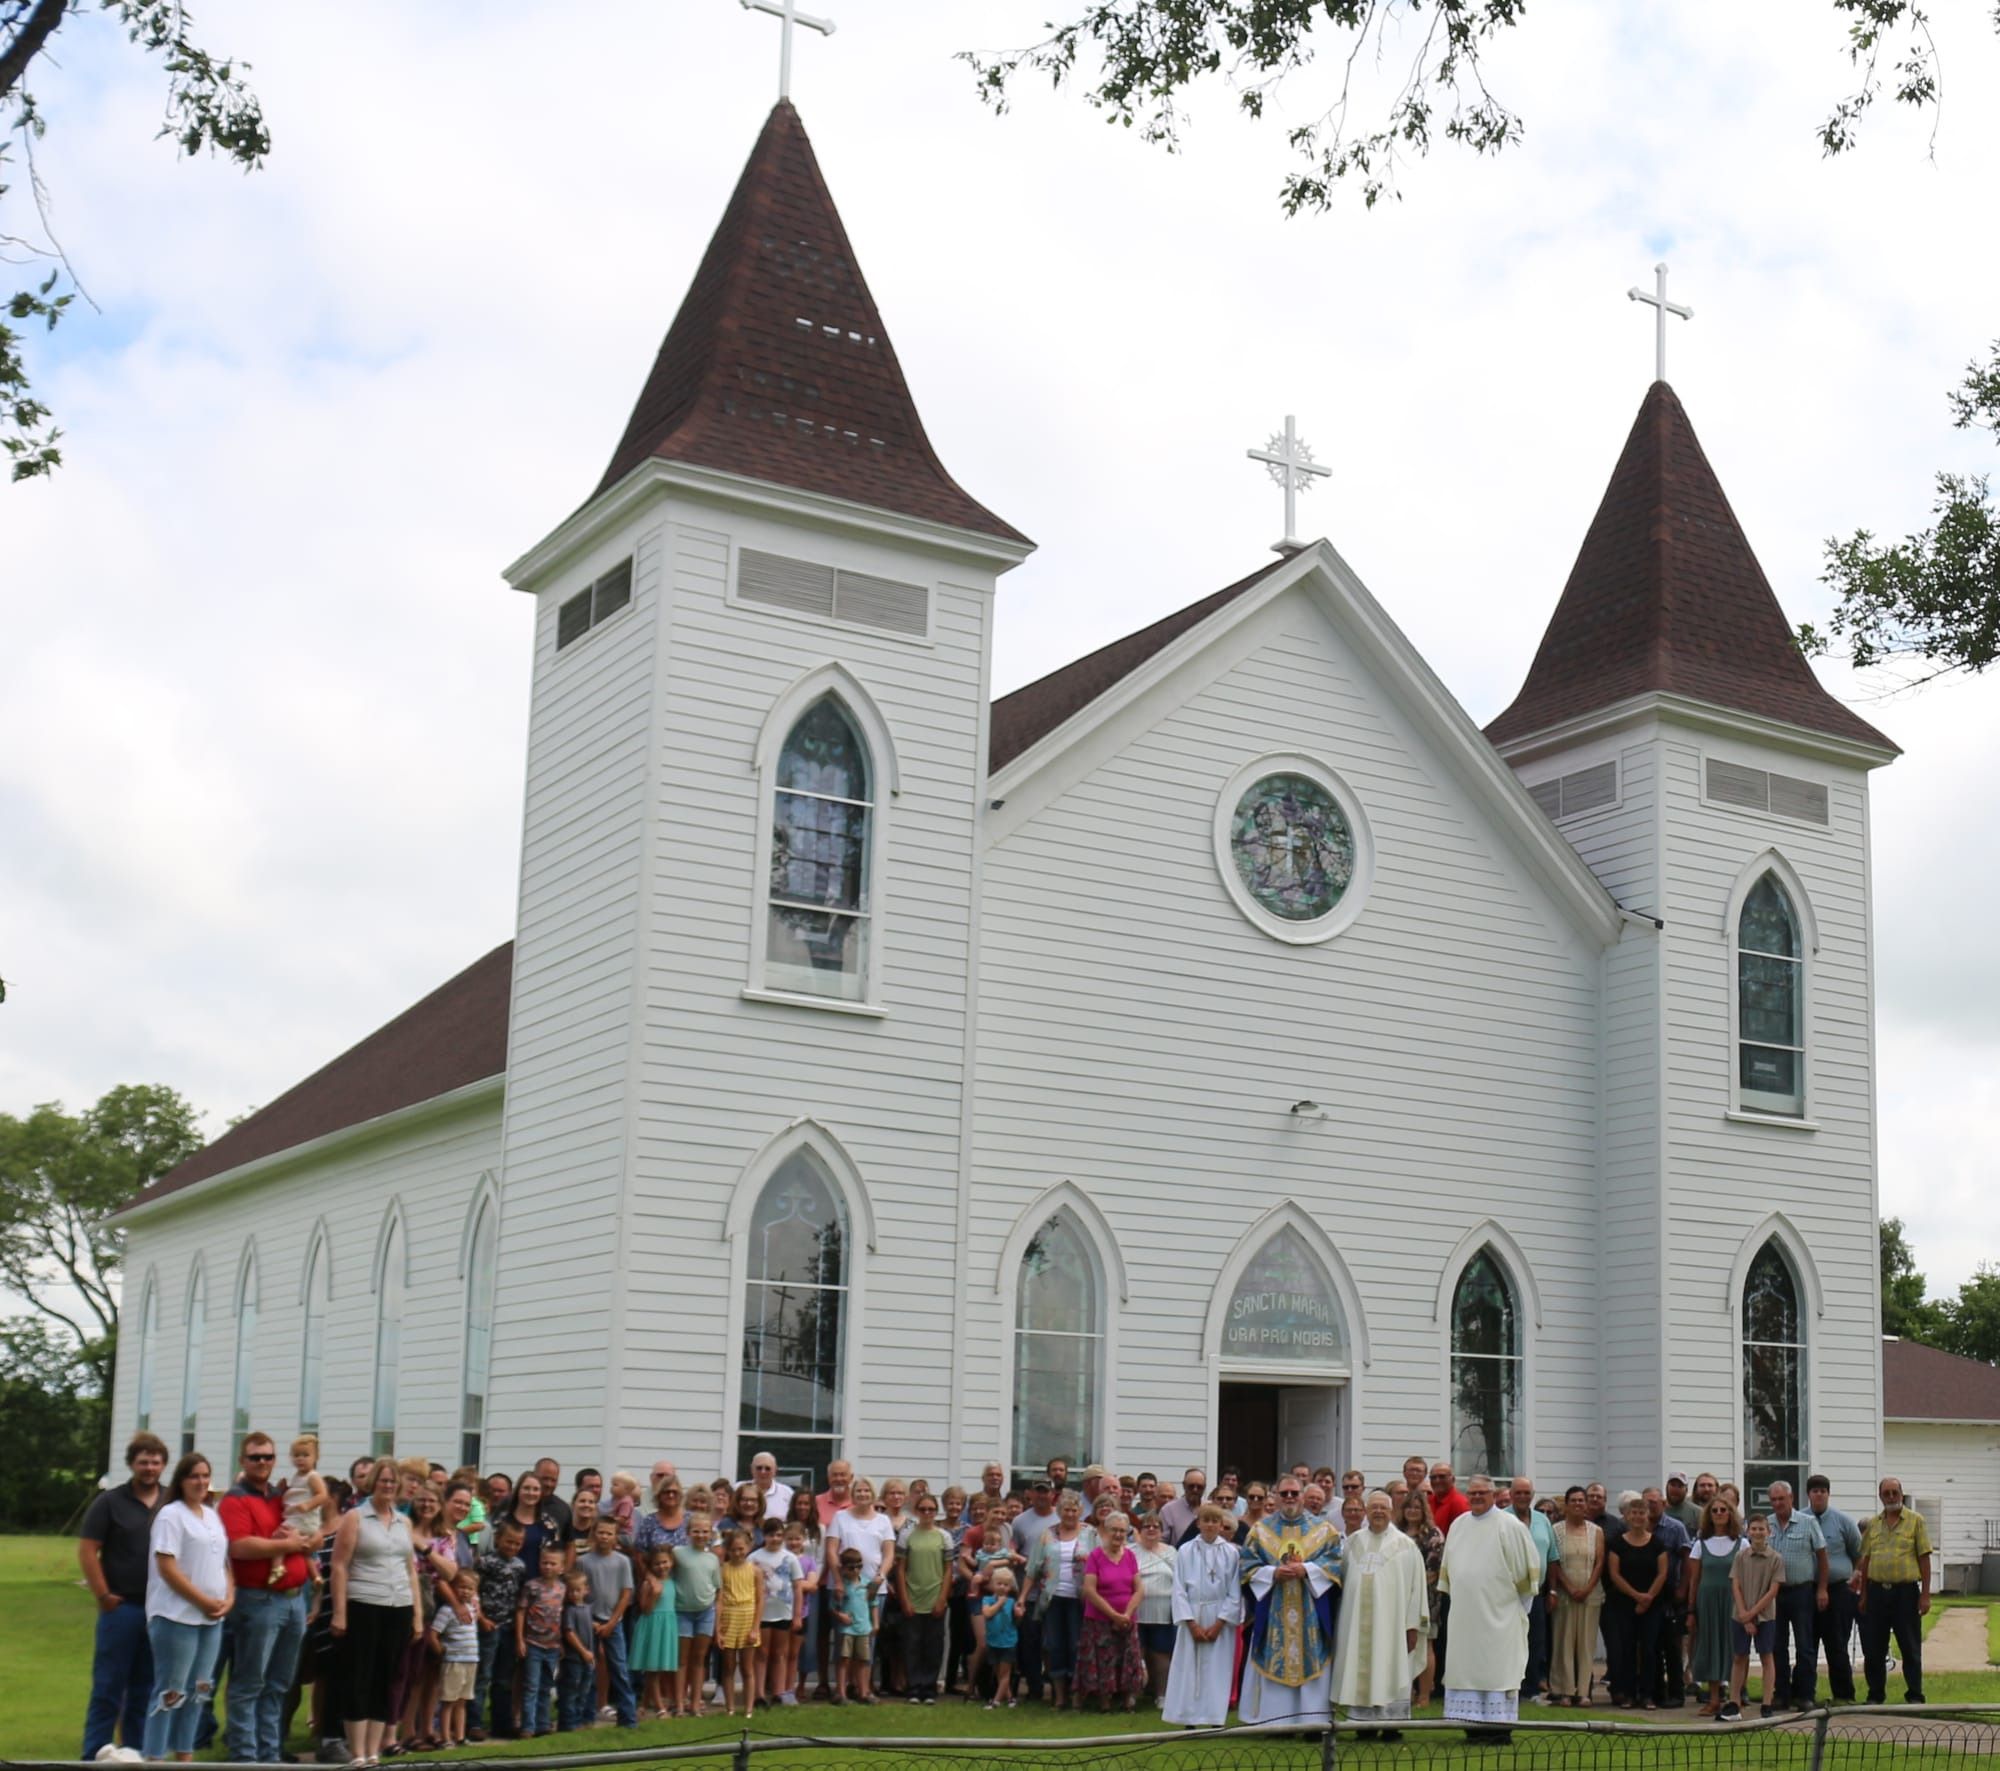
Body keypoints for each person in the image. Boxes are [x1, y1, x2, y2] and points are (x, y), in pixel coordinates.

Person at [219, 1430, 318, 1763]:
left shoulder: (280, 1497)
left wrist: (310, 1539)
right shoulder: (235, 1500)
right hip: (258, 1600)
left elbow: (309, 1529)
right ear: (242, 1461)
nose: (262, 1462)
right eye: (255, 1457)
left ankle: (269, 1754)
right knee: (250, 1683)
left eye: (268, 1456)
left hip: (294, 1600)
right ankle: (245, 1757)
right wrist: (288, 1545)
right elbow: (239, 1546)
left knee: (279, 1684)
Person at [79, 1430, 168, 1758]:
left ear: (163, 1465)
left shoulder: (171, 1502)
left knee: (146, 1688)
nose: (149, 1468)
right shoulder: (110, 1502)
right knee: (108, 1687)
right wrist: (103, 1595)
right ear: (132, 1464)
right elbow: (88, 1550)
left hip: (160, 1611)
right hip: (122, 1608)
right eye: (143, 1462)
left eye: (155, 1462)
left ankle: (134, 1755)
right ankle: (93, 1755)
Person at [143, 1453, 235, 1764]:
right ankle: (155, 1758)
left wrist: (228, 1597)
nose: (201, 1481)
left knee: (200, 1690)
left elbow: (223, 1564)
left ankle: (184, 1757)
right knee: (171, 1691)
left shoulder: (211, 1515)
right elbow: (167, 1567)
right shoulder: (171, 1515)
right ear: (181, 1480)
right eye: (194, 1476)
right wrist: (202, 1600)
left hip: (211, 1621)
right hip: (176, 1617)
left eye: (205, 1475)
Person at [329, 1457, 420, 1769]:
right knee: (360, 1677)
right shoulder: (355, 1517)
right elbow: (339, 1565)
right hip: (364, 1604)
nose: (388, 1486)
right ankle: (357, 1751)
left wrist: (416, 1614)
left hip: (399, 1606)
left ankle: (373, 1751)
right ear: (373, 1483)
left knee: (386, 1678)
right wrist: (339, 1612)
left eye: (393, 1481)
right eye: (383, 1480)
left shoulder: (404, 1522)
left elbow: (410, 1570)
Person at [1435, 1475, 1541, 1741]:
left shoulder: (1510, 1526)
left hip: (1499, 1615)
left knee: (1497, 1671)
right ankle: (1471, 1727)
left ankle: (1498, 1729)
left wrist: (1512, 1608)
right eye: (1472, 1493)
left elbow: (1524, 1577)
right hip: (1465, 1616)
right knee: (1467, 1668)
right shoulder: (1459, 1525)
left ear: (1493, 1495)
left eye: (1482, 1492)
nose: (1477, 1497)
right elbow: (1450, 1569)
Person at [1238, 1473, 1342, 1726]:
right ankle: (1275, 1721)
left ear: (1303, 1496)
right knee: (1275, 1660)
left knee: (1311, 1660)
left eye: (1294, 1493)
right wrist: (1272, 1573)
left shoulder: (1323, 1530)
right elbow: (1246, 1566)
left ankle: (1312, 1721)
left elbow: (1335, 1563)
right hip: (1275, 1611)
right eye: (1283, 1493)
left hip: (1310, 1613)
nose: (1289, 1498)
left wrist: (1307, 1570)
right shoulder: (1260, 1531)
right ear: (1275, 1496)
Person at [1330, 1491, 1428, 1733]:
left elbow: (1417, 1589)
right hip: (1356, 1623)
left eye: (1383, 1507)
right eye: (1373, 1507)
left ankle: (1392, 1725)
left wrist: (1412, 1625)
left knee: (1390, 1665)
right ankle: (1363, 1724)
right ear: (1366, 1510)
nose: (1378, 1512)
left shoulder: (1406, 1546)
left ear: (1392, 1511)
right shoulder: (1352, 1543)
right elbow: (1342, 1582)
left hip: (1392, 1625)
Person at [1162, 1505, 1240, 1727]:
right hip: (1193, 1612)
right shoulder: (1186, 1550)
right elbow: (1179, 1589)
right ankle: (1189, 1716)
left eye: (1215, 1521)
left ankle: (1215, 1716)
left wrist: (1219, 1623)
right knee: (1190, 1666)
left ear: (1221, 1525)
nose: (1210, 1525)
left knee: (1217, 1667)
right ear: (1198, 1523)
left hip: (1219, 1614)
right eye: (1206, 1520)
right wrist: (1191, 1624)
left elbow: (1235, 1591)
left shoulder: (1230, 1553)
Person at [1857, 1477, 1932, 1705]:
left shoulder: (1916, 1521)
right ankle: (1875, 1695)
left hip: (1905, 1593)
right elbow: (1866, 1560)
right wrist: (1863, 1594)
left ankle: (1915, 1695)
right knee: (1874, 1648)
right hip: (1877, 1593)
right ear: (1880, 1496)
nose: (1891, 1497)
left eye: (1894, 1492)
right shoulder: (1873, 1524)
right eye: (1886, 1493)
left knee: (1910, 1646)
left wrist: (1925, 1595)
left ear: (1901, 1494)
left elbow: (1924, 1558)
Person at [1023, 1492, 1092, 1709]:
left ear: (1080, 1512)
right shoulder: (1048, 1534)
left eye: (1074, 1510)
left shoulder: (1090, 1534)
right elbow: (1033, 1568)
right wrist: (1022, 1597)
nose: (1070, 1514)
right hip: (1052, 1599)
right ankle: (1059, 1696)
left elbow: (1099, 1563)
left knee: (1076, 1646)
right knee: (1054, 1646)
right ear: (1060, 1512)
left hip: (1079, 1599)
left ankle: (1076, 1695)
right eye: (1066, 1510)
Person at [1764, 1481, 1828, 1710]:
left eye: (1781, 1499)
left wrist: (1822, 1589)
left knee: (1805, 1645)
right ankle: (1781, 1693)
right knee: (1777, 1645)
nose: (1778, 1503)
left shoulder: (1808, 1522)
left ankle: (1805, 1694)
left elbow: (1822, 1558)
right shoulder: (1766, 1525)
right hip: (1774, 1594)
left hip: (1801, 1591)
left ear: (1791, 1498)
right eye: (1773, 1500)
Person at [1602, 1491, 1667, 1711]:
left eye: (1642, 1513)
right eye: (1634, 1513)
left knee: (1648, 1650)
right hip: (1624, 1604)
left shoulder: (1657, 1543)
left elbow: (1662, 1573)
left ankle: (1647, 1695)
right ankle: (1628, 1694)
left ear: (1648, 1516)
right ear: (1627, 1516)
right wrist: (1636, 1596)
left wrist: (1648, 1597)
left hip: (1652, 1605)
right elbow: (1614, 1574)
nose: (1638, 1517)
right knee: (1627, 1649)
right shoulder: (1617, 1543)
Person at [1076, 1511, 1145, 1713]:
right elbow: (1089, 1590)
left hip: (1127, 1619)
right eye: (1114, 1530)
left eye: (1122, 1531)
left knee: (1128, 1658)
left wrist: (1126, 1614)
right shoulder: (1095, 1556)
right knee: (1103, 1659)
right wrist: (1113, 1615)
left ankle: (1128, 1700)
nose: (1118, 1534)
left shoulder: (1130, 1556)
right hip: (1099, 1618)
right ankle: (1104, 1702)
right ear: (1105, 1531)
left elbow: (1139, 1589)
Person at [1806, 1475, 1861, 1704]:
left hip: (1839, 1590)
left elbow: (1859, 1554)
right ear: (1808, 1495)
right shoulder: (1801, 1520)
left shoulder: (1843, 1522)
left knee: (1837, 1643)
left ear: (1828, 1494)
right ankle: (1804, 1694)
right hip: (1808, 1589)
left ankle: (1843, 1695)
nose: (1819, 1495)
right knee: (1807, 1644)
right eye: (1815, 1491)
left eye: (1823, 1491)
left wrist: (1855, 1578)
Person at [577, 1515, 637, 1727]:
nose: (604, 1537)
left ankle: (628, 1718)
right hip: (589, 1622)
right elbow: (578, 1594)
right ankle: (586, 1716)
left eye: (609, 1533)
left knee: (619, 1669)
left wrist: (612, 1622)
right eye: (601, 1532)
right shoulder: (583, 1561)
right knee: (588, 1670)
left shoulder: (622, 1562)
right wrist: (590, 1621)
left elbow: (626, 1594)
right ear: (594, 1534)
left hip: (614, 1622)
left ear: (615, 1537)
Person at [1548, 1485, 1604, 1707]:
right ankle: (1564, 1691)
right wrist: (1569, 1587)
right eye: (1574, 1500)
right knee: (1564, 1642)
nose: (1578, 1504)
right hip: (1565, 1594)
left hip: (1590, 1595)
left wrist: (1588, 1588)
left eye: (1582, 1500)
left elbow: (1599, 1562)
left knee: (1586, 1644)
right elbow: (1554, 1562)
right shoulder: (1556, 1530)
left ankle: (1583, 1692)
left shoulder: (1596, 1531)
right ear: (1567, 1504)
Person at [471, 1519, 527, 1740]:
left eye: (517, 1543)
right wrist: (481, 1618)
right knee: (483, 1675)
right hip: (488, 1626)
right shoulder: (485, 1563)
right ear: (497, 1539)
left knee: (504, 1679)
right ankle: (474, 1723)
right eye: (508, 1541)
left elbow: (519, 1596)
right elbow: (474, 1592)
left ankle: (501, 1724)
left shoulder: (520, 1566)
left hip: (509, 1628)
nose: (512, 1546)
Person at [1688, 1496, 1742, 1717]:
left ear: (1730, 1514)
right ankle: (1713, 1699)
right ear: (1709, 1515)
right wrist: (1691, 1610)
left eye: (1723, 1510)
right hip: (1707, 1602)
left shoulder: (1742, 1544)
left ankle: (1734, 1698)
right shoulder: (1700, 1545)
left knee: (1733, 1647)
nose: (1719, 1514)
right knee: (1710, 1646)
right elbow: (1694, 1580)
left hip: (1733, 1601)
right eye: (1715, 1510)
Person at [897, 1492, 952, 1703]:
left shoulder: (944, 1537)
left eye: (931, 1509)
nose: (927, 1513)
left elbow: (948, 1569)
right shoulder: (907, 1535)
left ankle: (929, 1688)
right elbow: (900, 1569)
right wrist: (904, 1599)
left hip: (935, 1597)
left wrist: (942, 1599)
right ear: (916, 1511)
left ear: (936, 1511)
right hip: (913, 1596)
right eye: (923, 1509)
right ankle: (914, 1688)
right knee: (912, 1645)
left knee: (933, 1646)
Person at [1727, 1515, 1782, 1720]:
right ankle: (1734, 1701)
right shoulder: (1740, 1556)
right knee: (1739, 1657)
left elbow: (1773, 1590)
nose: (1758, 1533)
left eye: (1761, 1529)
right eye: (1754, 1529)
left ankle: (1767, 1703)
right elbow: (1735, 1584)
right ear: (1747, 1531)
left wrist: (1753, 1614)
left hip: (1765, 1616)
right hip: (1740, 1614)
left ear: (1769, 1532)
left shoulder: (1775, 1558)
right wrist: (1744, 1615)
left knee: (1766, 1656)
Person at [1508, 1478, 1557, 1704]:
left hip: (1537, 1592)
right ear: (1511, 1494)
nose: (1522, 1497)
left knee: (1536, 1640)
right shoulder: (1502, 1519)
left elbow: (1553, 1557)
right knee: (1510, 1640)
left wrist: (1552, 1591)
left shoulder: (1542, 1520)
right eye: (1518, 1492)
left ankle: (1531, 1689)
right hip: (1509, 1593)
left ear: (1532, 1494)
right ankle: (1511, 1686)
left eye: (1526, 1492)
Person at [1394, 1486, 1444, 1706]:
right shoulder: (1395, 1533)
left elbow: (1434, 1571)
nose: (1412, 1511)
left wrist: (1412, 1591)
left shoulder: (1433, 1535)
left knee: (1425, 1645)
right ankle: (1407, 1691)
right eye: (1409, 1507)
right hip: (1397, 1599)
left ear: (1424, 1511)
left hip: (1426, 1598)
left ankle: (1424, 1694)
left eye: (1417, 1507)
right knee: (1401, 1646)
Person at [1642, 1486, 1690, 1708]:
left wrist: (1683, 1588)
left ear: (1663, 1504)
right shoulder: (1638, 1525)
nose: (1650, 1506)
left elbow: (1687, 1559)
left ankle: (1677, 1693)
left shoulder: (1675, 1528)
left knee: (1672, 1646)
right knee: (1651, 1645)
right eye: (1646, 1502)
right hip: (1645, 1593)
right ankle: (1656, 1692)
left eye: (1654, 1502)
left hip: (1670, 1592)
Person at [750, 1516, 803, 1709]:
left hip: (784, 1612)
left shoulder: (790, 1558)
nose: (775, 1539)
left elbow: (797, 1587)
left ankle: (779, 1692)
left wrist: (797, 1615)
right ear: (764, 1536)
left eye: (779, 1535)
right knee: (761, 1653)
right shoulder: (754, 1558)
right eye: (771, 1535)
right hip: (761, 1614)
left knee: (780, 1653)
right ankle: (759, 1694)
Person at [516, 1543, 569, 1736]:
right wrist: (520, 1639)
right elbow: (521, 1611)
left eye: (553, 1564)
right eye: (545, 1562)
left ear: (561, 1567)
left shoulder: (563, 1589)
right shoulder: (531, 1586)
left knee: (546, 1686)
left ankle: (543, 1724)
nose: (548, 1567)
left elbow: (562, 1617)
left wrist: (561, 1642)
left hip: (553, 1646)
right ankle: (528, 1726)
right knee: (531, 1685)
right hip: (533, 1643)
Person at [672, 1517, 721, 1717]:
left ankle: (695, 1704)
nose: (701, 1535)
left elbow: (717, 1588)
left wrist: (717, 1617)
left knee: (699, 1660)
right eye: (696, 1531)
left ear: (710, 1534)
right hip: (682, 1612)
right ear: (688, 1533)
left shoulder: (713, 1559)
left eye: (705, 1531)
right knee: (682, 1660)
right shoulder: (678, 1553)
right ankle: (679, 1704)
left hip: (705, 1612)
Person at [431, 1570, 481, 1747]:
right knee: (448, 1701)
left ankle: (460, 1736)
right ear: (452, 1588)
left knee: (462, 1701)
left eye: (470, 1588)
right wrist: (441, 1652)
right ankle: (445, 1737)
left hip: (471, 1660)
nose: (465, 1591)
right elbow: (433, 1634)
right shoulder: (447, 1610)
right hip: (454, 1661)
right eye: (461, 1587)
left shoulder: (472, 1609)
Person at [1132, 1514, 1178, 1701]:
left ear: (1161, 1531)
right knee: (1136, 1653)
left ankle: (1162, 1695)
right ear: (1140, 1530)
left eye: (1155, 1526)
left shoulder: (1171, 1552)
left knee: (1161, 1653)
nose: (1151, 1529)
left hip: (1163, 1611)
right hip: (1136, 1610)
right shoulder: (1130, 1551)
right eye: (1147, 1526)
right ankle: (1133, 1694)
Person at [630, 1544, 678, 1719]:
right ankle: (659, 1708)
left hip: (667, 1625)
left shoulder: (672, 1581)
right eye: (657, 1564)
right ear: (651, 1566)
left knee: (658, 1669)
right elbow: (645, 1609)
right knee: (653, 1669)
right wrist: (655, 1594)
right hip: (652, 1625)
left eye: (665, 1562)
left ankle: (643, 1705)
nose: (661, 1566)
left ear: (671, 1562)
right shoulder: (648, 1584)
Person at [832, 1546, 876, 1703]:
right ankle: (841, 1693)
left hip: (863, 1628)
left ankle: (863, 1692)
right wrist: (840, 1616)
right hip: (847, 1629)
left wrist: (875, 1623)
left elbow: (873, 1604)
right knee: (844, 1660)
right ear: (843, 1568)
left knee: (863, 1661)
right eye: (851, 1568)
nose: (856, 1571)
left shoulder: (867, 1583)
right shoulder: (841, 1585)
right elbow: (833, 1607)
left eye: (859, 1567)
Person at [558, 1569, 596, 1732]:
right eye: (571, 1591)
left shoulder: (586, 1608)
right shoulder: (569, 1610)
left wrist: (593, 1625)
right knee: (571, 1691)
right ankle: (567, 1724)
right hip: (574, 1658)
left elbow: (584, 1624)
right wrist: (583, 1652)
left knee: (583, 1691)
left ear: (586, 1590)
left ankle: (578, 1721)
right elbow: (569, 1633)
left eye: (578, 1590)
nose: (574, 1594)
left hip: (588, 1658)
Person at [980, 1566, 1019, 1709]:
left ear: (1010, 1587)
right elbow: (987, 1613)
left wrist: (1018, 1613)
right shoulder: (987, 1600)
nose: (1002, 1587)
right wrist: (999, 1603)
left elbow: (1017, 1617)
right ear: (993, 1584)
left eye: (1006, 1584)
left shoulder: (1012, 1602)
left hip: (1008, 1642)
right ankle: (1010, 1699)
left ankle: (995, 1701)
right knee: (998, 1672)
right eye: (999, 1583)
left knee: (1005, 1674)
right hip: (993, 1641)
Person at [1157, 1469, 1206, 1542]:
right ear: (1184, 1485)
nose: (1195, 1490)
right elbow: (1161, 1541)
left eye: (1199, 1487)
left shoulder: (1210, 1509)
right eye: (1191, 1486)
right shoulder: (1168, 1510)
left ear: (1204, 1487)